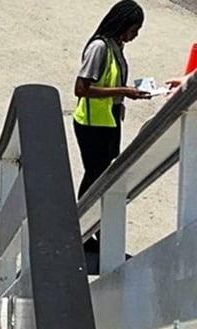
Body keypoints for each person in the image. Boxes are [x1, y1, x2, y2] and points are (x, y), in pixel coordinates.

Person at [73, 0, 149, 203]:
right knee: (97, 177)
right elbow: (81, 89)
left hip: (109, 118)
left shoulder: (116, 46)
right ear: (123, 25)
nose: (136, 35)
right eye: (135, 29)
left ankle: (86, 225)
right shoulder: (99, 47)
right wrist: (124, 91)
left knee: (97, 175)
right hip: (91, 123)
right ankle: (86, 224)